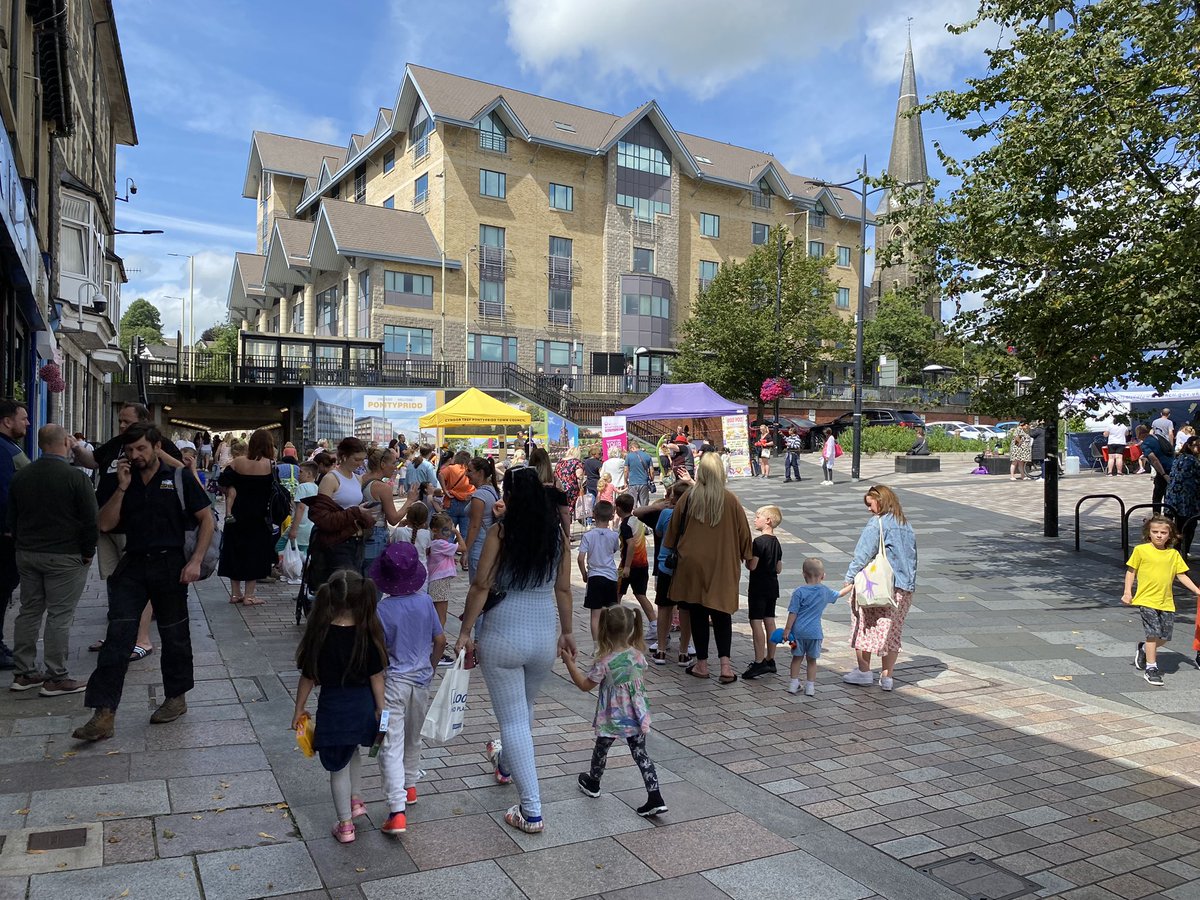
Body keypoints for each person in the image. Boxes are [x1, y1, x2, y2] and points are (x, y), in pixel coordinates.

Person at [455, 466, 577, 834]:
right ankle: (506, 763)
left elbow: (481, 585)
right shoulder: (556, 536)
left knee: (512, 719)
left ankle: (532, 809)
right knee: (522, 710)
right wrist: (568, 632)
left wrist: (465, 632)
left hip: (502, 635)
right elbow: (564, 590)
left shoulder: (501, 532)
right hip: (542, 636)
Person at [73, 424, 215, 741]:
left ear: (155, 446)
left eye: (141, 449)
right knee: (118, 637)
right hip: (133, 566)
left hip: (171, 565)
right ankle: (103, 713)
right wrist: (121, 488)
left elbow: (207, 519)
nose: (135, 455)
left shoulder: (177, 478)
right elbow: (106, 524)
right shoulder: (123, 480)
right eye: (130, 450)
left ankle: (176, 697)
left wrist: (194, 561)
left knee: (175, 636)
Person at [291, 570, 386, 843]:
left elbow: (308, 676)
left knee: (337, 767)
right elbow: (376, 676)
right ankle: (356, 800)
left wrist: (299, 708)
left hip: (334, 710)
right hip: (363, 707)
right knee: (353, 749)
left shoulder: (320, 634)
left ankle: (345, 824)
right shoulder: (368, 632)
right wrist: (381, 709)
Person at [6, 424, 98, 694]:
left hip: (27, 553)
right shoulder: (75, 478)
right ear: (65, 444)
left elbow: (12, 518)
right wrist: (88, 551)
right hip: (64, 556)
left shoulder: (22, 476)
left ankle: (23, 672)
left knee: (29, 610)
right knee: (60, 614)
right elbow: (90, 519)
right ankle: (56, 676)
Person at [561, 605, 667, 817]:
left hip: (612, 716)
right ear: (631, 629)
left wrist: (569, 663)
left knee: (601, 748)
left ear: (604, 630)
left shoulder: (604, 662)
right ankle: (655, 796)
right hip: (635, 715)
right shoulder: (638, 655)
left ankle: (593, 782)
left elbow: (584, 685)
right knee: (641, 754)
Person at [371, 542, 445, 836]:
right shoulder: (426, 602)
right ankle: (411, 786)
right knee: (414, 736)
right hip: (421, 682)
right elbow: (439, 641)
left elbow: (378, 653)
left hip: (393, 686)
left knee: (389, 742)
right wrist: (431, 667)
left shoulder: (382, 610)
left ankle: (396, 809)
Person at [664, 452, 752, 683]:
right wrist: (749, 557)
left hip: (691, 566)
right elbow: (745, 536)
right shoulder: (730, 500)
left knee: (698, 614)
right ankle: (726, 667)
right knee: (722, 614)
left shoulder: (689, 497)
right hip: (722, 565)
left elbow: (671, 534)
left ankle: (702, 664)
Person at [843, 485, 918, 692]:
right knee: (892, 631)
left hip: (878, 586)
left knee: (864, 625)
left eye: (870, 504)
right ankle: (887, 677)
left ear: (881, 501)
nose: (868, 509)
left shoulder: (877, 523)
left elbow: (863, 554)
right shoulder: (905, 524)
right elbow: (912, 557)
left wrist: (849, 578)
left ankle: (864, 671)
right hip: (903, 587)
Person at [1123, 515, 1200, 687]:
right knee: (1153, 633)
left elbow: (1181, 575)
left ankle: (1143, 649)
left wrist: (1196, 590)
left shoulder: (1173, 554)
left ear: (1170, 535)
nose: (1159, 535)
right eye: (1155, 532)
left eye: (1163, 532)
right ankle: (1151, 668)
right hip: (1146, 599)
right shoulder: (1141, 550)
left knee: (1165, 637)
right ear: (1148, 533)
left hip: (1166, 601)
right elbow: (1131, 571)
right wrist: (1128, 592)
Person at [218, 429, 279, 606]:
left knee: (234, 551)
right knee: (255, 553)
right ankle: (250, 595)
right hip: (259, 517)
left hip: (236, 515)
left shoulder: (237, 462)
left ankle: (235, 594)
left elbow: (222, 483)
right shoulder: (271, 465)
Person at [783, 558, 851, 695]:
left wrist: (787, 630)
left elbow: (793, 612)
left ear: (803, 574)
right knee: (812, 660)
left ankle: (793, 683)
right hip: (815, 633)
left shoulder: (798, 592)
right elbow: (840, 594)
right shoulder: (824, 591)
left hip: (797, 633)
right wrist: (852, 585)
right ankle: (810, 687)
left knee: (796, 658)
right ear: (823, 576)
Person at [0, 399, 31, 669]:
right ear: (7, 421)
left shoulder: (9, 447)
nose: (28, 423)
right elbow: (5, 494)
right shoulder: (2, 450)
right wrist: (9, 528)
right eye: (23, 418)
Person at [647, 483, 692, 666]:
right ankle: (683, 652)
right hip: (686, 565)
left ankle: (661, 650)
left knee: (664, 607)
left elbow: (658, 532)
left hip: (666, 564)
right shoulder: (694, 515)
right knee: (685, 609)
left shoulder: (666, 514)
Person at [743, 505, 783, 681]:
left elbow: (753, 565)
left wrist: (746, 560)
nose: (755, 519)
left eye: (758, 516)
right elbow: (779, 568)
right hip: (772, 585)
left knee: (756, 621)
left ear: (768, 520)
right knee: (770, 620)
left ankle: (759, 660)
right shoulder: (776, 542)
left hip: (758, 586)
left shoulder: (758, 543)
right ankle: (770, 659)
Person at [360, 448, 414, 576]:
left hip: (360, 534)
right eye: (394, 463)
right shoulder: (383, 487)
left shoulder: (360, 479)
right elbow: (393, 519)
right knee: (374, 582)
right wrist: (409, 500)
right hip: (376, 536)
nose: (396, 467)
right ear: (383, 464)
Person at [578, 501, 620, 643]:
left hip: (595, 576)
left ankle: (597, 646)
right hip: (610, 576)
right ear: (611, 516)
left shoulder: (588, 536)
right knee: (610, 612)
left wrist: (584, 573)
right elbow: (614, 550)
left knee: (595, 615)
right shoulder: (614, 536)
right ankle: (610, 642)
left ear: (594, 515)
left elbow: (580, 558)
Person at [464, 457, 501, 583]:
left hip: (478, 546)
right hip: (490, 544)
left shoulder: (479, 495)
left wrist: (465, 550)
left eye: (469, 470)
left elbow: (475, 525)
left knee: (478, 585)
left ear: (480, 473)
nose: (466, 474)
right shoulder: (493, 490)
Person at [1165, 436, 1200, 559]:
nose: (1198, 448)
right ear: (1189, 445)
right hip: (1186, 498)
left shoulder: (1179, 457)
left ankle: (1178, 549)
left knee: (1179, 524)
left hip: (1173, 496)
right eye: (1196, 445)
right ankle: (1183, 550)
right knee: (1189, 524)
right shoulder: (1192, 460)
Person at [1138, 424, 1174, 513]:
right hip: (1173, 467)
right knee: (1169, 496)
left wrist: (1163, 474)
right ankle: (1169, 515)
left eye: (1137, 434)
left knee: (1157, 497)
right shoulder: (1158, 437)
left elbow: (1154, 460)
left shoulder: (1145, 444)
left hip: (1163, 469)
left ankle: (1157, 517)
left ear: (1141, 434)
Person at [287, 461, 320, 553]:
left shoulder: (302, 487)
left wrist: (294, 529)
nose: (298, 474)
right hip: (310, 526)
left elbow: (301, 508)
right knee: (304, 552)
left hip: (300, 527)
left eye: (301, 472)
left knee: (281, 547)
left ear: (309, 474)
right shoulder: (317, 488)